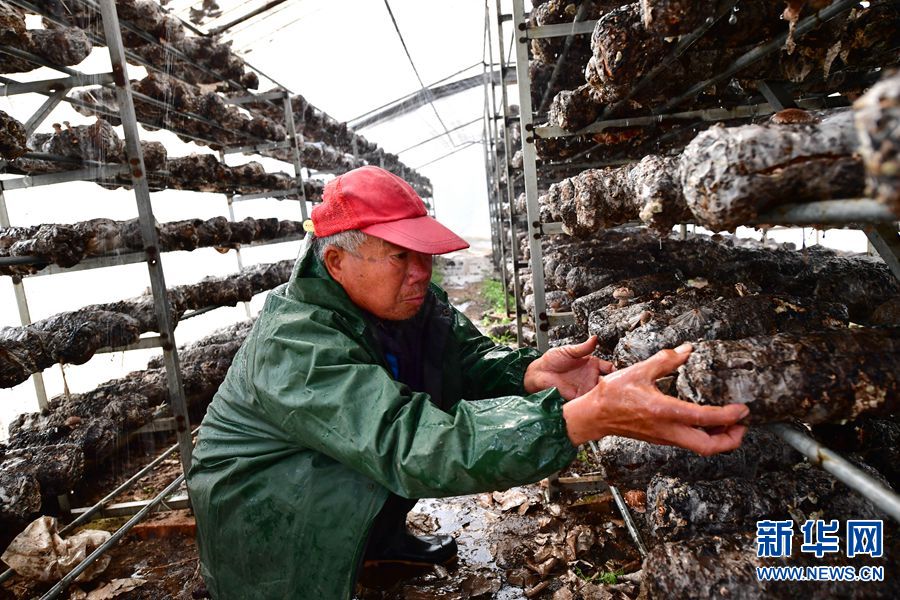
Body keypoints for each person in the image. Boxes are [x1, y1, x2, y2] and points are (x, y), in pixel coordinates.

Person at [187, 166, 749, 599]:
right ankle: (295, 575)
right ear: (336, 262)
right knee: (388, 446)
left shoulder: (408, 300)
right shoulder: (296, 342)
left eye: (424, 256)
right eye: (400, 257)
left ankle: (377, 545)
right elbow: (409, 445)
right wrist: (578, 420)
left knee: (396, 420)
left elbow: (465, 357)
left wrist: (529, 373)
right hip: (264, 502)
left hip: (326, 470)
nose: (422, 274)